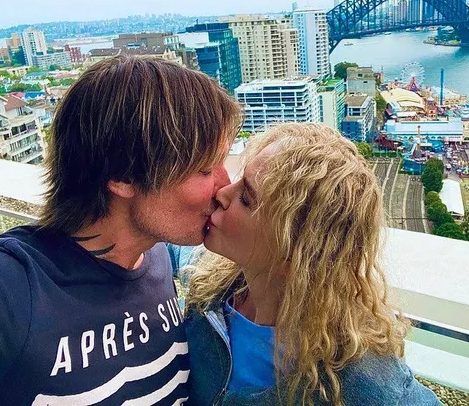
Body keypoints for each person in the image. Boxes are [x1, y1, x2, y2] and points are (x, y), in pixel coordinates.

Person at [0, 56, 242, 405]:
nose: (225, 186)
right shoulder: (10, 285)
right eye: (205, 169)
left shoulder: (155, 256)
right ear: (123, 175)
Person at [184, 123, 441, 406]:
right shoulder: (208, 288)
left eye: (246, 199)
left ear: (294, 251)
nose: (222, 193)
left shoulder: (360, 381)